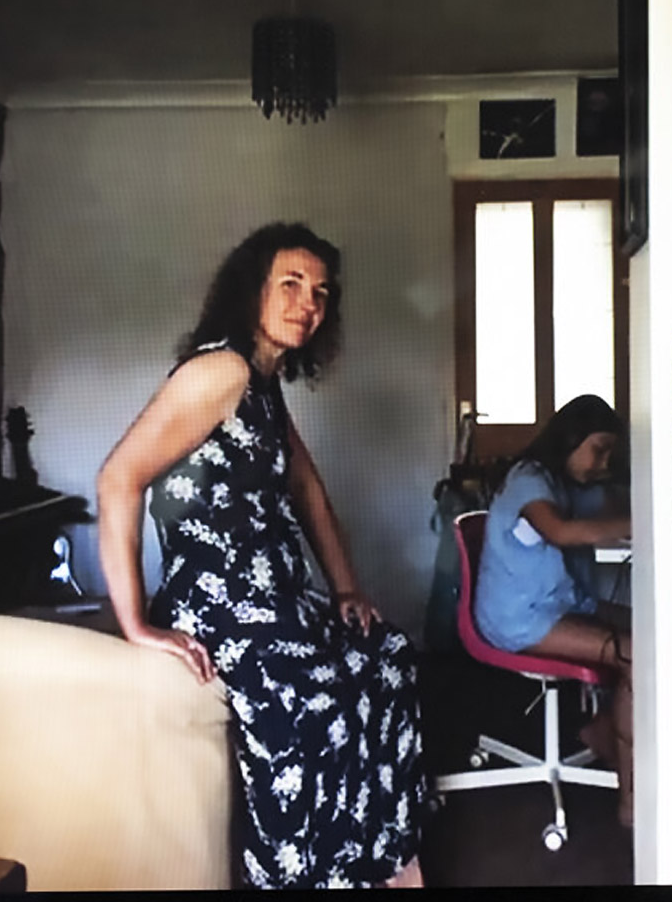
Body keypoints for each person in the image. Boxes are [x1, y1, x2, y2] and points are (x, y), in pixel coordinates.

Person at [95, 222, 431, 889]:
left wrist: (346, 589)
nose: (308, 303)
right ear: (253, 289)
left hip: (273, 597)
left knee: (387, 657)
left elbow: (306, 488)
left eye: (322, 292)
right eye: (291, 284)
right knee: (320, 694)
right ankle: (308, 874)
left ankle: (387, 863)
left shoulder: (263, 383)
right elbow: (117, 479)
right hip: (219, 603)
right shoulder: (220, 370)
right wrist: (134, 624)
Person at [471, 394, 635, 827]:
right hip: (518, 617)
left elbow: (606, 509)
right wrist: (639, 524)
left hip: (557, 605)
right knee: (636, 652)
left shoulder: (567, 483)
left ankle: (601, 729)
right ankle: (631, 801)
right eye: (598, 450)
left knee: (650, 627)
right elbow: (561, 532)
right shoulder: (529, 479)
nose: (602, 462)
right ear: (570, 439)